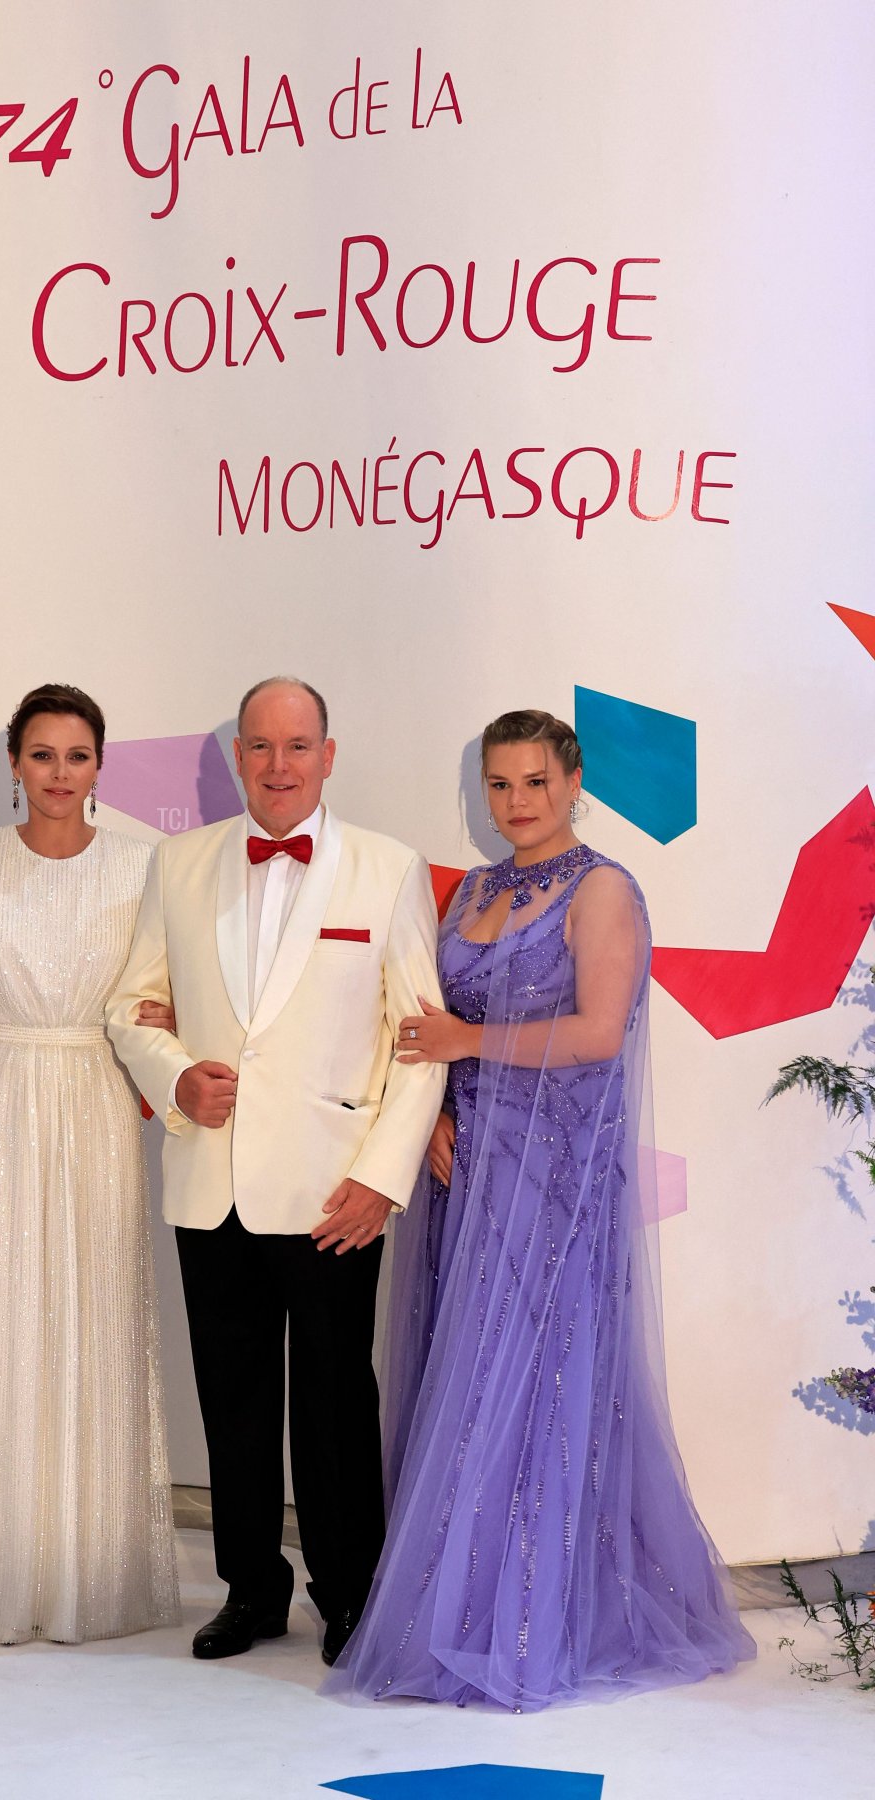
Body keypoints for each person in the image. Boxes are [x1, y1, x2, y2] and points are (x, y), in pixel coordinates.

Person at [326, 709, 755, 1710]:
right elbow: (423, 1026)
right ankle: (455, 1604)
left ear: (574, 785)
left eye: (535, 783)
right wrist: (429, 1117)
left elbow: (600, 1033)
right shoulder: (474, 888)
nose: (516, 803)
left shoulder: (603, 889)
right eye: (500, 785)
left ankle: (527, 1617)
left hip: (553, 1179)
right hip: (464, 1170)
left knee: (531, 1386)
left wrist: (465, 1051)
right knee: (462, 1379)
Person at [106, 678, 446, 1665]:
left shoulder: (388, 869)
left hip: (335, 1188)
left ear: (328, 756)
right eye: (261, 746)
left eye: (298, 746)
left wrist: (383, 1176)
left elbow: (418, 1041)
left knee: (338, 1401)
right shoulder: (179, 864)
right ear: (238, 759)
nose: (279, 765)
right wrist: (176, 1082)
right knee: (233, 1397)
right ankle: (251, 1588)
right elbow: (132, 1008)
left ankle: (351, 1593)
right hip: (211, 1180)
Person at [0, 683, 180, 1645]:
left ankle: (88, 1572)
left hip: (93, 1105)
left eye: (78, 756)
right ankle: (1, 1568)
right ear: (13, 764)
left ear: (102, 767)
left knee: (91, 1319)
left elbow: (160, 1005)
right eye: (42, 755)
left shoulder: (144, 869)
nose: (60, 774)